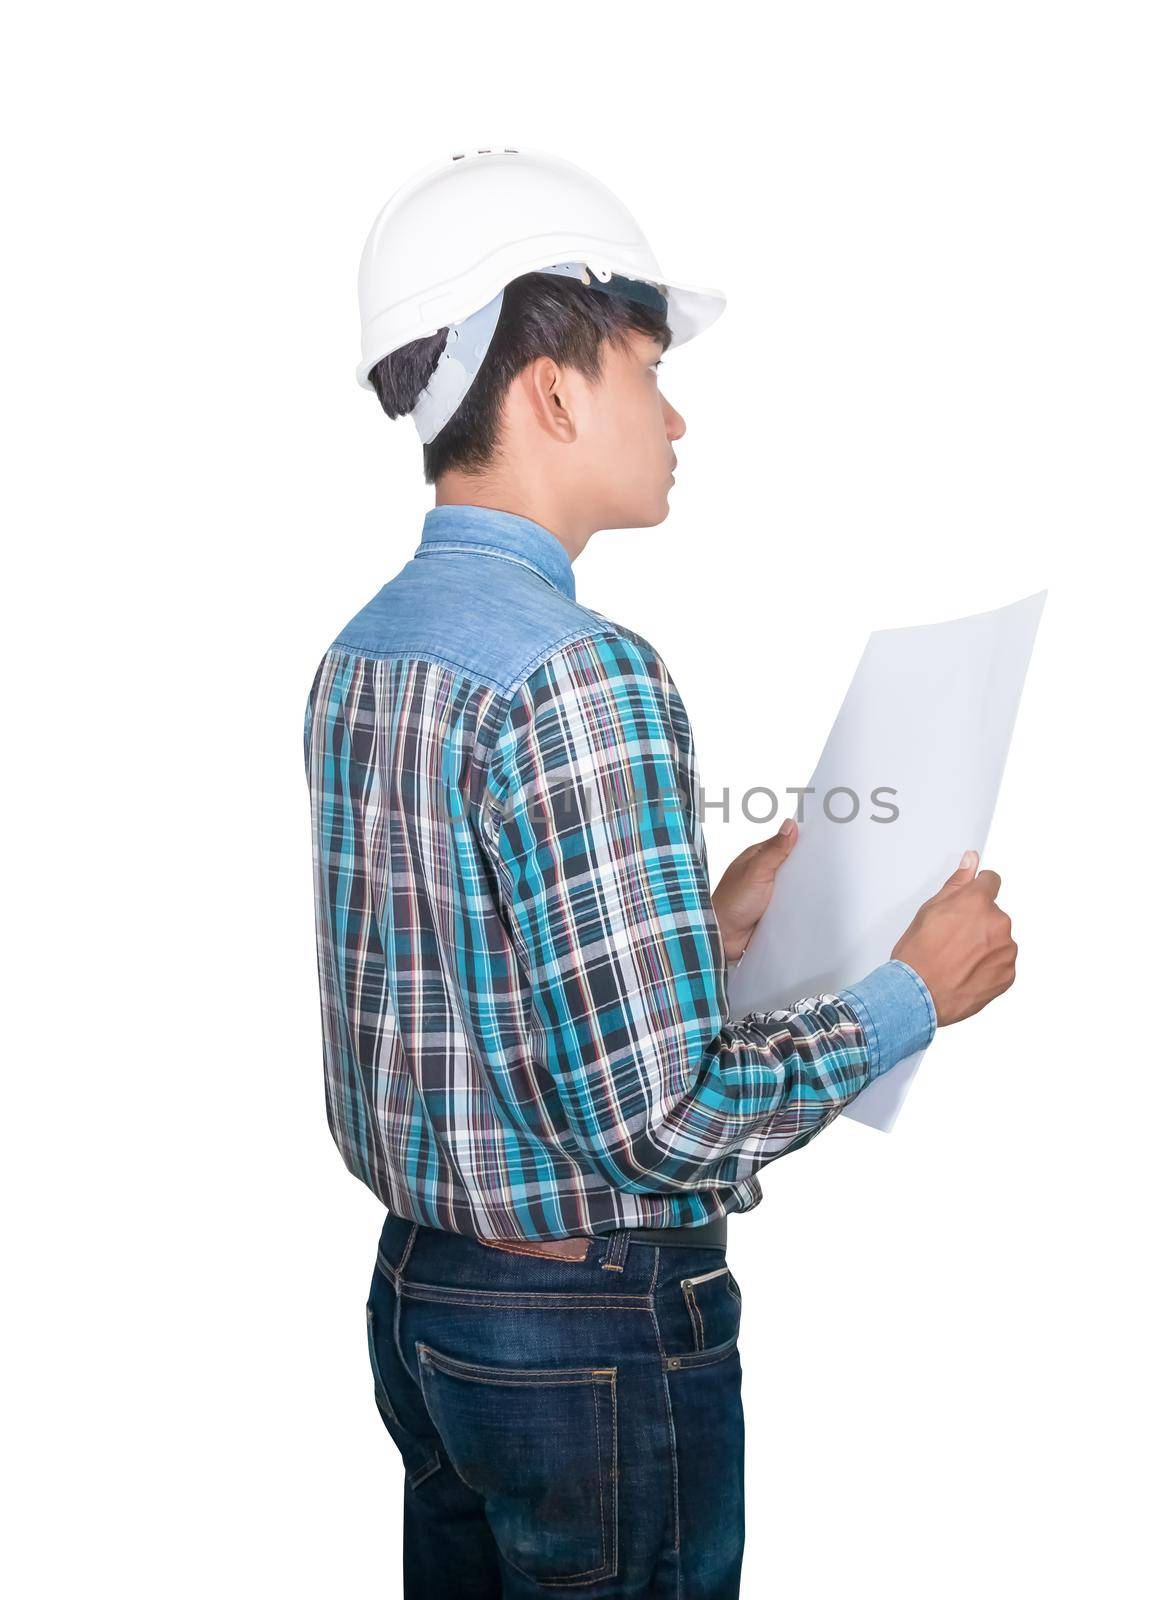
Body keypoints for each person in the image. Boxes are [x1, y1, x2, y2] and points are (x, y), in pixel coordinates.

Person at [302, 148, 1018, 1599]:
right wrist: (907, 998)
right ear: (555, 391)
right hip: (584, 1337)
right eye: (645, 366)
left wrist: (700, 923)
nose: (675, 413)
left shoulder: (363, 654)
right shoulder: (582, 673)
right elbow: (665, 1125)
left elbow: (477, 997)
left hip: (426, 1307)